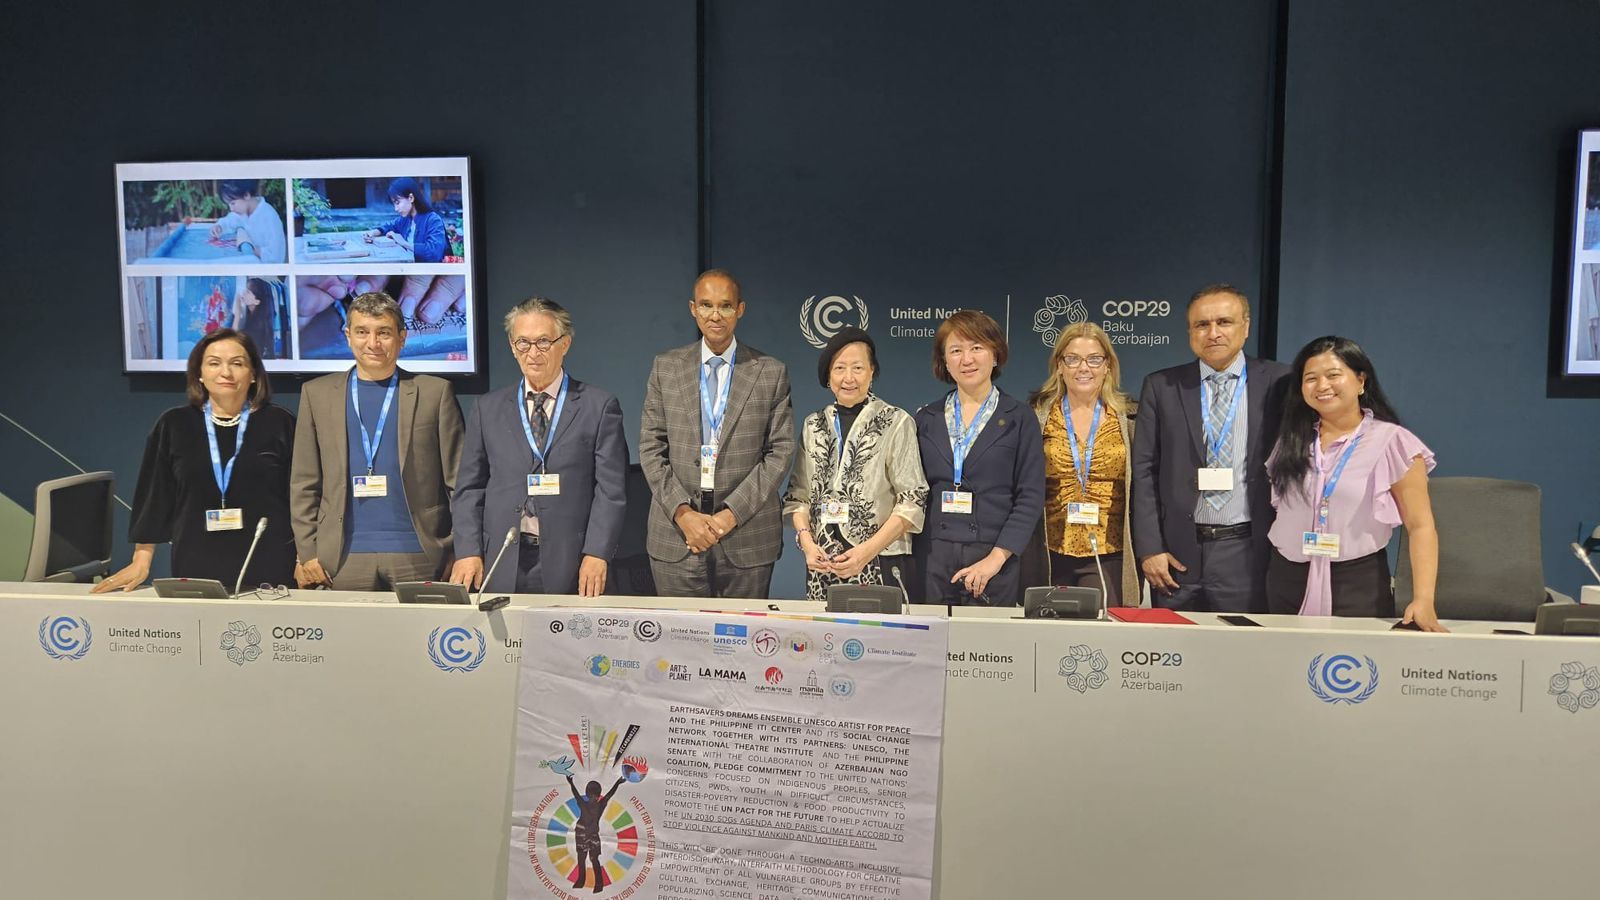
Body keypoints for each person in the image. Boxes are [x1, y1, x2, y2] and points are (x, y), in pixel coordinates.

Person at [1130, 284, 1293, 613]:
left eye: (1224, 322)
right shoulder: (1162, 386)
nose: (1213, 333)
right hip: (1176, 555)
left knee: (1240, 656)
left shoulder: (1281, 382)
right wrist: (1150, 549)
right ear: (1190, 332)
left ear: (1245, 327)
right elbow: (1144, 471)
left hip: (1248, 551)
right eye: (1202, 325)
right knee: (1172, 657)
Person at [94, 329, 296, 592]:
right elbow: (155, 497)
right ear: (199, 373)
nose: (226, 372)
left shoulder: (280, 423)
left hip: (271, 562)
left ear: (254, 374)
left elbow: (302, 496)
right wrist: (141, 561)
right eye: (214, 363)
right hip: (197, 561)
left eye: (237, 363)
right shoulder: (174, 424)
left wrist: (305, 557)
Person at [450, 298, 628, 596]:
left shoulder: (598, 407)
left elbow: (611, 490)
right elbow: (469, 488)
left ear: (565, 344)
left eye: (544, 342)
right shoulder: (488, 408)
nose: (532, 353)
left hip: (570, 560)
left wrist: (597, 553)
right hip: (502, 557)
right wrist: (467, 549)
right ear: (511, 346)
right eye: (523, 343)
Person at [289, 292, 465, 591]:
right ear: (348, 336)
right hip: (341, 557)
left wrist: (460, 549)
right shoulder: (316, 395)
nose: (373, 343)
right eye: (362, 332)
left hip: (421, 551)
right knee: (350, 639)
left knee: (418, 638)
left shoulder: (435, 393)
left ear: (402, 337)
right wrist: (307, 551)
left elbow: (458, 482)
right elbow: (304, 482)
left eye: (383, 332)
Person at [1265, 336, 1444, 630]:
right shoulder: (1291, 441)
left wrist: (1424, 599)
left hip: (1355, 583)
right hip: (1286, 578)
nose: (1322, 386)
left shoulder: (1392, 442)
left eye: (1333, 375)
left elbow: (1420, 526)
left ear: (1361, 381)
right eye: (1310, 378)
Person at [639, 269, 794, 599]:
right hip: (677, 534)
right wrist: (683, 514)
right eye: (706, 305)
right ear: (693, 309)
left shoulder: (770, 372)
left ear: (740, 310)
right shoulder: (666, 367)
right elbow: (651, 448)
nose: (715, 315)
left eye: (725, 306)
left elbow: (779, 453)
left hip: (747, 535)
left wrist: (729, 516)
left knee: (743, 647)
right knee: (679, 646)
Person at [784, 327, 927, 600]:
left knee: (880, 641)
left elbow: (913, 500)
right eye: (839, 368)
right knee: (824, 640)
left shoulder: (896, 422)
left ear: (872, 372)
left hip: (879, 560)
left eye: (858, 368)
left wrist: (866, 551)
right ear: (828, 376)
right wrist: (807, 543)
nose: (848, 378)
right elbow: (797, 497)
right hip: (823, 562)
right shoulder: (813, 425)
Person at [913, 310, 1044, 605]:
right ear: (945, 361)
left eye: (976, 348)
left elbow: (1031, 495)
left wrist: (996, 559)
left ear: (995, 354)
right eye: (956, 350)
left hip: (994, 558)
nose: (967, 359)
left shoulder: (1020, 418)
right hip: (934, 558)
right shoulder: (926, 418)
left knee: (989, 650)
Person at [1029, 322, 1140, 606]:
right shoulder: (1036, 417)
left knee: (1103, 640)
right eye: (1073, 359)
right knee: (1045, 642)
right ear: (1059, 366)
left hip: (1109, 552)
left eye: (1094, 359)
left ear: (1107, 366)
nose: (1083, 368)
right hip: (1049, 552)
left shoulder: (1130, 419)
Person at [364, 176, 448, 264]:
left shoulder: (433, 220)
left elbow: (434, 253)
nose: (396, 209)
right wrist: (373, 233)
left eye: (397, 202)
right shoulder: (405, 219)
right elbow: (389, 226)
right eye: (394, 204)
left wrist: (403, 242)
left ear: (411, 198)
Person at [209, 179, 286, 263]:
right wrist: (219, 227)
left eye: (233, 203)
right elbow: (229, 221)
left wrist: (251, 249)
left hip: (267, 269)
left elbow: (276, 256)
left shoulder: (268, 216)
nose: (231, 209)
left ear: (246, 195)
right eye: (229, 204)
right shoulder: (243, 212)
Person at [231, 277, 281, 359]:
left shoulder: (257, 328)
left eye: (248, 292)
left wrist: (237, 313)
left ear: (257, 301)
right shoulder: (252, 317)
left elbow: (233, 342)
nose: (243, 294)